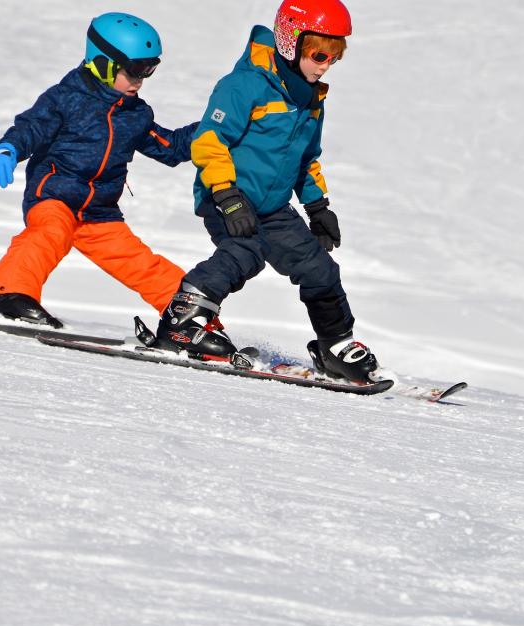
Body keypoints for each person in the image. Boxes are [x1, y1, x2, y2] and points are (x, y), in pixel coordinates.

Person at [154, 0, 380, 382]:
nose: (325, 64)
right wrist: (226, 194)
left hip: (273, 208)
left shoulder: (311, 99)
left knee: (319, 268)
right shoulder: (245, 85)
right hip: (226, 197)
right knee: (245, 250)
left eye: (335, 56)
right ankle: (184, 319)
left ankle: (335, 345)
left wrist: (318, 206)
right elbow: (209, 141)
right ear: (292, 41)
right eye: (320, 54)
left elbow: (307, 158)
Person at [0, 12, 197, 328]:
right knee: (48, 234)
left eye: (150, 69)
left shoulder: (135, 113)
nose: (141, 79)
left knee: (140, 262)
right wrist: (8, 149)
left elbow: (171, 148)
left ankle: (191, 320)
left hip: (99, 212)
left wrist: (219, 128)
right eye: (135, 69)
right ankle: (9, 294)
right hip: (55, 196)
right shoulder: (65, 98)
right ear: (104, 62)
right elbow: (32, 128)